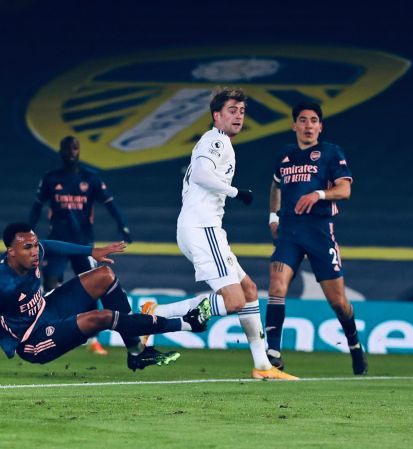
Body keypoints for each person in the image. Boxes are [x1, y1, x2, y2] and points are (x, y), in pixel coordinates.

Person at [142, 87, 297, 380]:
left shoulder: (218, 142)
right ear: (217, 116)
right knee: (235, 301)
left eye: (241, 112)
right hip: (203, 228)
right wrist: (236, 192)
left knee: (249, 291)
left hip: (202, 227)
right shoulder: (216, 141)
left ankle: (263, 365)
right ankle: (155, 315)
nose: (238, 116)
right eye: (231, 111)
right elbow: (201, 174)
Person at [0, 223, 206, 376]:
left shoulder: (33, 251)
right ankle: (187, 323)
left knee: (104, 275)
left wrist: (91, 251)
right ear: (11, 252)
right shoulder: (0, 284)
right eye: (28, 248)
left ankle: (136, 352)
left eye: (34, 245)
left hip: (47, 308)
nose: (35, 252)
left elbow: (50, 245)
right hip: (32, 339)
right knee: (102, 318)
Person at [263, 101, 367, 375]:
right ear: (294, 125)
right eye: (303, 120)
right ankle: (272, 354)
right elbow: (276, 185)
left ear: (320, 126)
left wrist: (319, 194)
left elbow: (344, 190)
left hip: (320, 231)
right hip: (289, 231)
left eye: (313, 120)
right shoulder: (285, 155)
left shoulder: (331, 153)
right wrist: (273, 216)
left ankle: (354, 344)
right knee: (276, 285)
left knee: (338, 301)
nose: (308, 125)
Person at [29, 135, 133, 356]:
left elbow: (111, 204)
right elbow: (37, 207)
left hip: (83, 244)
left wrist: (123, 225)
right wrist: (27, 232)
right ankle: (49, 332)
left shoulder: (91, 179)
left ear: (79, 151)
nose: (71, 152)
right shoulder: (50, 179)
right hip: (57, 243)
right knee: (49, 284)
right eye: (68, 148)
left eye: (75, 147)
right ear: (61, 151)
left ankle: (93, 340)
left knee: (92, 289)